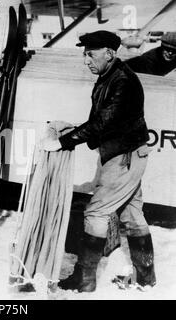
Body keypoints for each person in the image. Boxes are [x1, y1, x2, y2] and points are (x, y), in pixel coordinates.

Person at [41, 30, 156, 292]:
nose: (86, 61)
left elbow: (104, 122)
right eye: (85, 55)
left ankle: (84, 279)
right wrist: (73, 132)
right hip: (124, 154)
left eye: (90, 54)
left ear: (109, 53)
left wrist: (64, 141)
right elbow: (102, 119)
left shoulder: (122, 80)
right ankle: (147, 278)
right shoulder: (110, 76)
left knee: (96, 212)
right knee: (131, 214)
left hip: (123, 157)